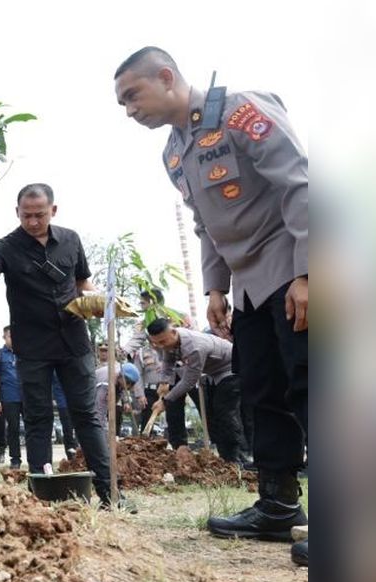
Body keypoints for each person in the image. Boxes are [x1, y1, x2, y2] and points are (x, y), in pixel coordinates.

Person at [115, 47, 308, 555]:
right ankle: (279, 505)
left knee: (310, 384)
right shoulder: (173, 153)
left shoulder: (243, 110)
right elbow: (207, 224)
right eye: (121, 103)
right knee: (262, 393)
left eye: (132, 95)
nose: (129, 109)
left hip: (292, 266)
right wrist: (216, 288)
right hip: (246, 286)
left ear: (167, 76)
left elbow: (301, 185)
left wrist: (311, 271)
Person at [0, 183, 119, 507]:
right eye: (26, 215)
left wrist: (100, 301)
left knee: (87, 416)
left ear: (53, 211)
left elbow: (82, 282)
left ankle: (110, 493)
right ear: (17, 213)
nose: (33, 222)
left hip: (74, 341)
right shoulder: (7, 246)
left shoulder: (71, 240)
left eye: (40, 215)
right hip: (32, 346)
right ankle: (40, 499)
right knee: (37, 418)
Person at [146, 319, 249, 464]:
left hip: (231, 369)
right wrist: (164, 382)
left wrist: (166, 401)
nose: (160, 346)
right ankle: (226, 458)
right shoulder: (170, 344)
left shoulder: (194, 347)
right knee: (212, 414)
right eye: (156, 343)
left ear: (174, 332)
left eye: (162, 342)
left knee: (224, 412)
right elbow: (168, 363)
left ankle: (236, 459)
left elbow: (188, 381)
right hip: (214, 374)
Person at [122, 289, 176, 440]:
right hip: (151, 390)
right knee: (147, 420)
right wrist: (123, 350)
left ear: (153, 302)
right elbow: (136, 340)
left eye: (143, 302)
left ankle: (178, 447)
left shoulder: (172, 319)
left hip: (172, 383)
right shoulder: (142, 327)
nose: (140, 305)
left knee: (174, 417)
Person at [0, 325, 25, 468]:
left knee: (33, 427)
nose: (13, 339)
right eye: (10, 336)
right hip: (9, 397)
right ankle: (15, 460)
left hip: (27, 397)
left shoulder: (25, 352)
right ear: (4, 337)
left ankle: (38, 459)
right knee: (13, 428)